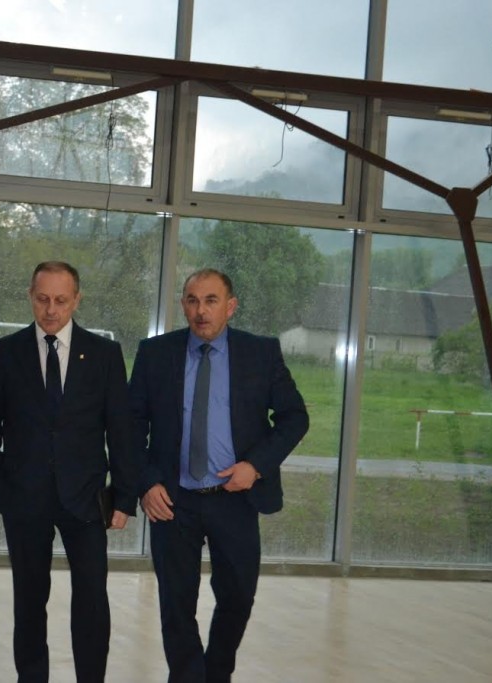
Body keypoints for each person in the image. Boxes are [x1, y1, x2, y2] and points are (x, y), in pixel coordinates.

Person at [129, 268, 309, 683]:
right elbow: (130, 424)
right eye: (192, 301)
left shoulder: (260, 353)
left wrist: (256, 466)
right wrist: (146, 481)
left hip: (235, 498)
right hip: (173, 501)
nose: (201, 311)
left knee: (238, 596)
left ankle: (217, 672)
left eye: (211, 301)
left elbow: (294, 417)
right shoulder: (156, 354)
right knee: (176, 605)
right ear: (183, 305)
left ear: (231, 306)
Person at [0, 261, 138, 683]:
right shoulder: (5, 353)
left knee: (92, 600)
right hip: (24, 500)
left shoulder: (103, 354)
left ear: (77, 300)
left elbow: (121, 431)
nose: (51, 310)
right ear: (30, 296)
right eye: (43, 299)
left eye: (61, 300)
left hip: (85, 499)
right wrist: (2, 492)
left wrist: (124, 497)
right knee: (29, 601)